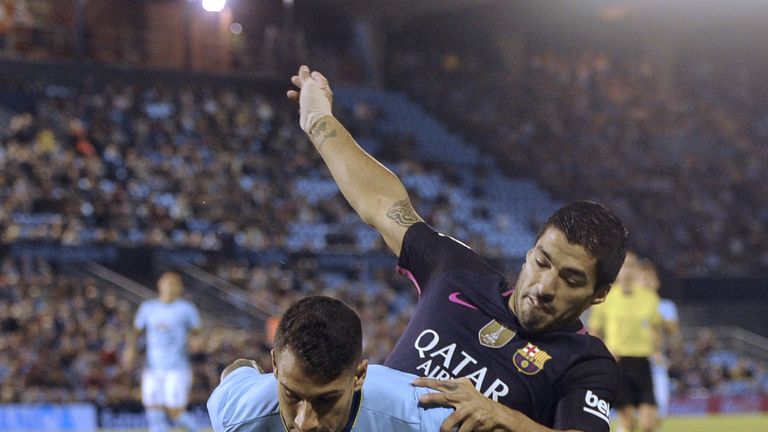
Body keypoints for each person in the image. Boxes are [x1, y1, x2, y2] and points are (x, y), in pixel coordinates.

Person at [287, 65, 629, 431]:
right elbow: (386, 207)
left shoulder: (586, 363)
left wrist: (503, 416)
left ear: (599, 294)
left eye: (571, 279)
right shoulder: (457, 274)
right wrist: (317, 119)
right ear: (530, 253)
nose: (545, 287)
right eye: (543, 262)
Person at [207, 295, 452, 431]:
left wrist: (492, 411)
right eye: (292, 395)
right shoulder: (237, 415)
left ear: (359, 376)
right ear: (275, 365)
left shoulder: (420, 416)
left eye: (326, 399)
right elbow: (236, 371)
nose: (305, 423)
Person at [588, 253, 662, 432]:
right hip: (619, 362)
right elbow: (594, 331)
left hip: (643, 361)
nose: (627, 271)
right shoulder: (606, 296)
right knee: (629, 423)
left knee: (648, 424)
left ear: (637, 270)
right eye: (624, 266)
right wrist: (605, 350)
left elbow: (655, 328)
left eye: (631, 266)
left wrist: (658, 349)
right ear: (617, 270)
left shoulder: (649, 297)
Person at [123, 271, 202, 432]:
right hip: (152, 368)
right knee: (153, 408)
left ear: (180, 288)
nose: (170, 287)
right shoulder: (148, 308)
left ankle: (196, 429)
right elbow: (135, 332)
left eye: (174, 284)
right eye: (167, 283)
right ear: (159, 285)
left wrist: (196, 343)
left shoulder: (186, 309)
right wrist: (130, 350)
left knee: (175, 411)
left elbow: (197, 334)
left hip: (177, 367)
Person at [637, 259, 681, 430]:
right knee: (631, 418)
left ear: (657, 282)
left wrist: (653, 308)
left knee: (658, 416)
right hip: (631, 363)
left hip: (656, 366)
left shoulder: (665, 306)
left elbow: (674, 333)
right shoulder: (627, 305)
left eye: (650, 278)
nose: (646, 282)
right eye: (643, 278)